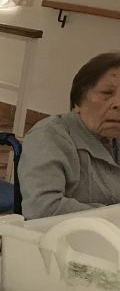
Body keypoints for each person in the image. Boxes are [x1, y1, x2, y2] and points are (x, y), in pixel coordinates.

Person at [18, 52, 120, 219]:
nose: (118, 104)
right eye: (106, 93)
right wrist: (111, 217)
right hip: (59, 241)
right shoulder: (49, 136)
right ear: (78, 101)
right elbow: (43, 208)